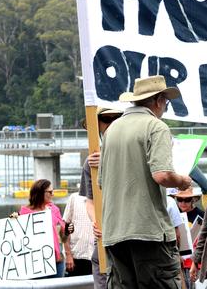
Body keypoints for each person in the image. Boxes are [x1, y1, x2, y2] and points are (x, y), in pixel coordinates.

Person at [99, 75, 192, 288]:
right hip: (148, 231)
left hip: (115, 233)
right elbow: (162, 175)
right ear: (159, 100)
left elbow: (102, 182)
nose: (164, 108)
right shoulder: (155, 126)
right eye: (166, 103)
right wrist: (182, 181)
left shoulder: (111, 130)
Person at [79, 107, 123, 288]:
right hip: (104, 242)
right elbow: (90, 201)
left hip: (130, 238)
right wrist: (97, 222)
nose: (111, 123)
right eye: (106, 119)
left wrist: (106, 162)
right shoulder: (91, 163)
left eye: (116, 118)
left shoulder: (134, 153)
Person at [19, 179, 73, 278]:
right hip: (36, 263)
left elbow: (63, 236)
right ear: (40, 193)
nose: (53, 194)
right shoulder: (24, 212)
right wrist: (13, 219)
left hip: (57, 261)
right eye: (50, 192)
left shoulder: (54, 209)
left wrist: (67, 232)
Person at [173, 186, 205, 289]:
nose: (183, 203)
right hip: (179, 261)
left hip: (195, 262)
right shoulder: (173, 214)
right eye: (179, 200)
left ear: (193, 200)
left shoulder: (202, 215)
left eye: (186, 200)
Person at [63, 192, 94, 276]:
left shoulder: (102, 198)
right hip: (76, 258)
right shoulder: (74, 198)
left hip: (97, 258)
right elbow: (64, 228)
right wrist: (68, 255)